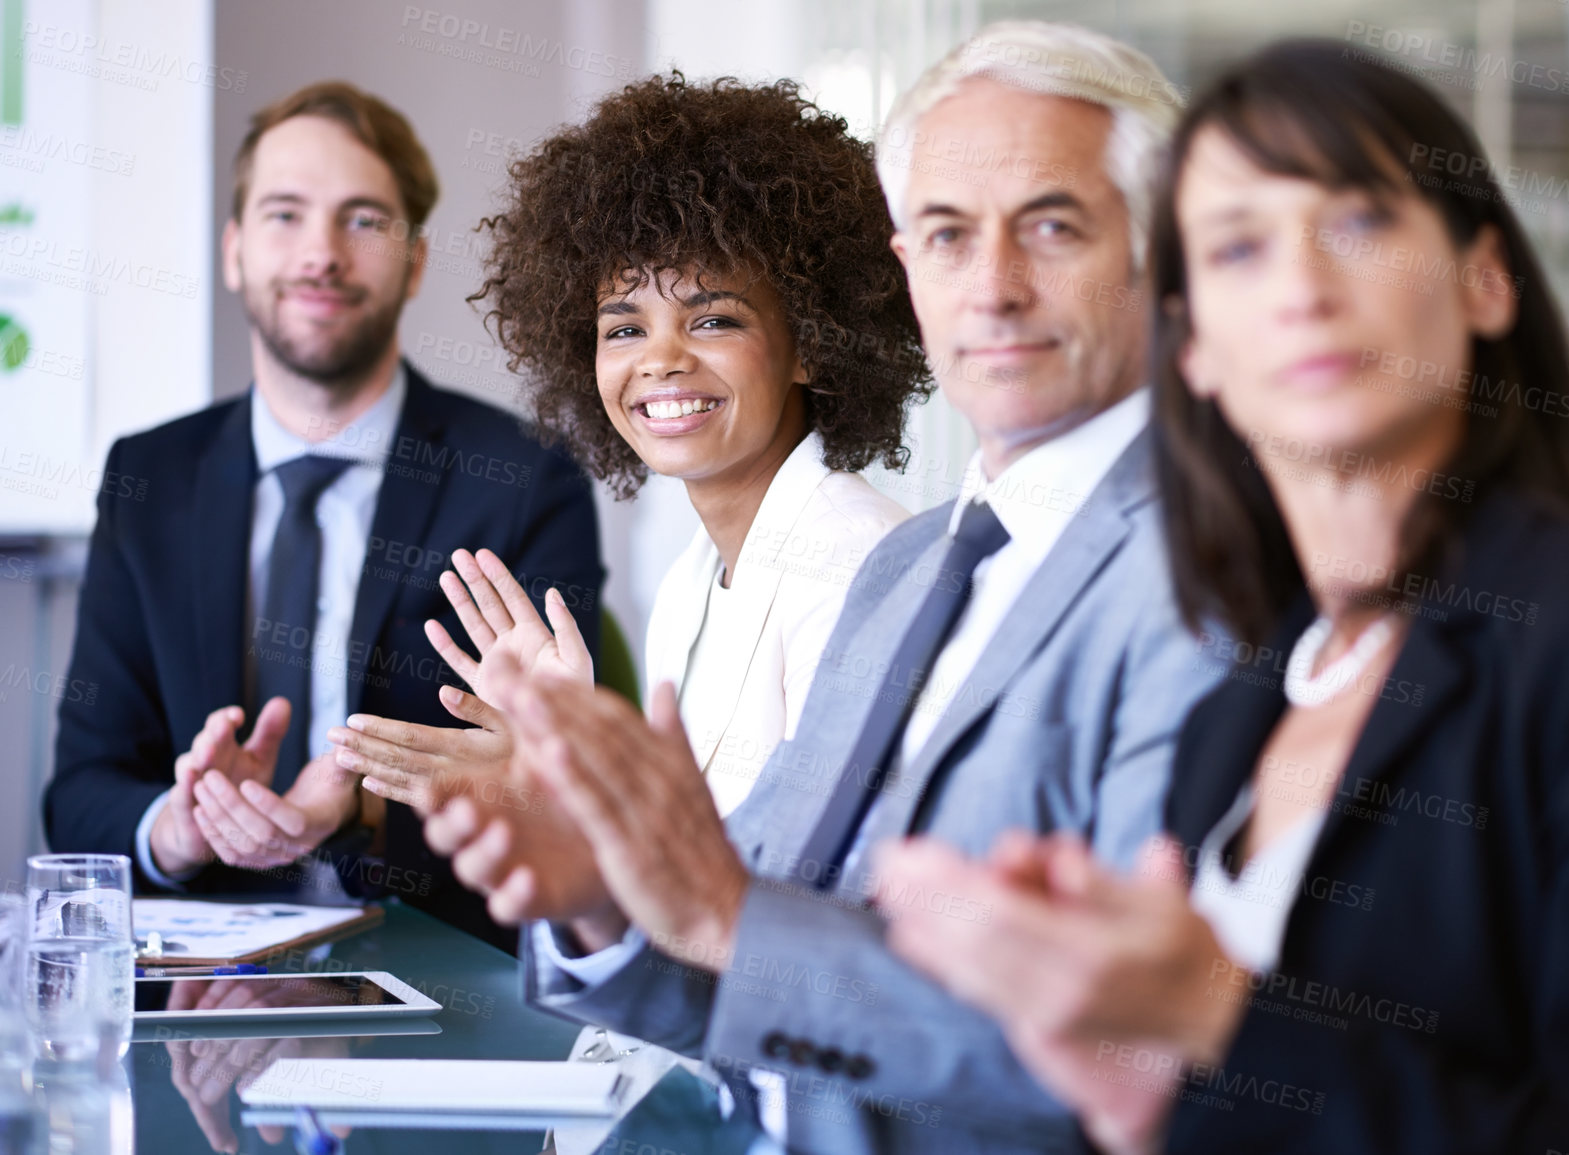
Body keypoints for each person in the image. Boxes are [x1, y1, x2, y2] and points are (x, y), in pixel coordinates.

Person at [874, 39, 1569, 1155]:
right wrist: (1113, 1055)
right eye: (1237, 250)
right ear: (1195, 350)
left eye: (1361, 223)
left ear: (1485, 280)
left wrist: (1211, 1013)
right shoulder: (1246, 705)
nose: (1304, 289)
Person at [424, 22, 1211, 1153]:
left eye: (1051, 223)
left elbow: (1143, 1067)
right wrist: (603, 888)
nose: (991, 286)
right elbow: (761, 941)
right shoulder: (917, 567)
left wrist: (715, 911)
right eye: (945, 234)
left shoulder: (1210, 579)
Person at [42, 81, 604, 952]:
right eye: (283, 214)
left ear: (415, 260)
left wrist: (362, 811)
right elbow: (81, 789)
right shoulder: (148, 477)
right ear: (233, 251)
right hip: (195, 979)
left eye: (364, 219)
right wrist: (179, 828)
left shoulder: (525, 479)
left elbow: (558, 793)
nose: (321, 253)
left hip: (437, 982)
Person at [323, 74, 925, 834]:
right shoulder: (688, 586)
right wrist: (567, 771)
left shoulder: (857, 564)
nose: (660, 359)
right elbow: (674, 863)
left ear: (810, 343)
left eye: (713, 321)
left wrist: (576, 787)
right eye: (623, 328)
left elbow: (802, 893)